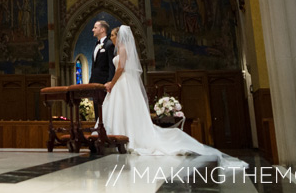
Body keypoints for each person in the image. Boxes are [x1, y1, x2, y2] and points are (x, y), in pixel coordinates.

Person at [102, 25, 245, 166]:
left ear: (119, 36)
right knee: (124, 110)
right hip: (123, 82)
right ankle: (122, 138)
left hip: (123, 82)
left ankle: (126, 139)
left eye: (113, 35)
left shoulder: (122, 48)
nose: (111, 38)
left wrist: (111, 83)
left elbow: (120, 68)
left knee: (125, 109)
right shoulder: (121, 49)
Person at [88, 19, 116, 120]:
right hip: (95, 84)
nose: (92, 30)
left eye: (95, 27)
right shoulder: (96, 45)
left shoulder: (109, 45)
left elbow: (111, 66)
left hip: (105, 84)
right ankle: (99, 132)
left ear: (102, 29)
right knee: (97, 110)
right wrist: (91, 82)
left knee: (105, 111)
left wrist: (110, 82)